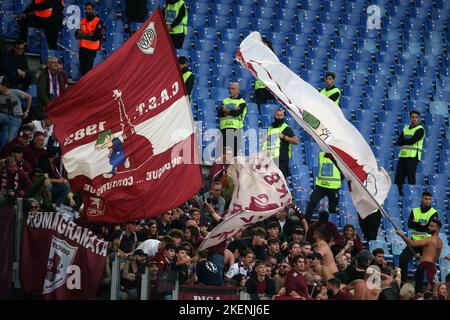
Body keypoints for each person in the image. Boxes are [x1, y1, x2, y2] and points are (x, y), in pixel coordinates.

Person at [398, 191, 438, 282]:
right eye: (426, 199)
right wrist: (423, 224)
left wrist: (417, 224)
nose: (428, 201)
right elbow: (409, 224)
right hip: (414, 242)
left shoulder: (433, 213)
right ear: (421, 199)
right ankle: (403, 282)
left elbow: (430, 228)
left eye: (429, 199)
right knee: (403, 259)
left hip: (426, 244)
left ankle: (418, 289)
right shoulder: (415, 211)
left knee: (422, 267)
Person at [396, 219, 443, 293]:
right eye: (429, 226)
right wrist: (421, 258)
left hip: (424, 268)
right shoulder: (440, 242)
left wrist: (401, 234)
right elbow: (435, 258)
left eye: (432, 226)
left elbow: (412, 244)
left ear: (437, 229)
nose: (429, 228)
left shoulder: (429, 239)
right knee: (428, 292)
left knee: (419, 291)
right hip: (432, 269)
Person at [305, 152, 342, 223]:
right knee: (312, 202)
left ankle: (331, 227)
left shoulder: (338, 156)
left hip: (333, 187)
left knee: (332, 209)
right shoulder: (321, 154)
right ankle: (306, 224)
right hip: (321, 186)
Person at [394, 109, 425, 195]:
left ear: (418, 118)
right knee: (398, 178)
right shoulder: (406, 128)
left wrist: (405, 140)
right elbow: (399, 142)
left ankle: (411, 196)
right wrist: (407, 140)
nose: (414, 119)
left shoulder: (420, 129)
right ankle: (398, 196)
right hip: (403, 157)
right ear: (410, 118)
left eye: (416, 117)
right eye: (412, 117)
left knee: (411, 178)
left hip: (413, 157)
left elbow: (412, 141)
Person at [262, 109, 299, 178]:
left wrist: (284, 137)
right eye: (277, 115)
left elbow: (296, 141)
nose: (279, 117)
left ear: (283, 117)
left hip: (282, 158)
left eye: (281, 115)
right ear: (274, 116)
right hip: (271, 158)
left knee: (282, 179)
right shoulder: (270, 128)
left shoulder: (286, 128)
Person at [0, 76, 32, 150]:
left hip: (16, 119)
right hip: (5, 116)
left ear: (4, 85)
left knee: (9, 140)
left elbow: (29, 97)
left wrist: (27, 111)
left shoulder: (15, 92)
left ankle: (7, 156)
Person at [218, 82, 247, 157]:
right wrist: (233, 110)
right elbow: (220, 113)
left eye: (233, 89)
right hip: (224, 130)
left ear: (238, 90)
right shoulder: (225, 101)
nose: (230, 90)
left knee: (234, 155)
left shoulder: (242, 102)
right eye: (230, 88)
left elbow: (237, 113)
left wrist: (226, 110)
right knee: (222, 154)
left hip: (235, 130)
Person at [75, 3, 103, 76]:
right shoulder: (82, 20)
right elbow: (76, 35)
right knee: (82, 70)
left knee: (88, 70)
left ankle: (87, 86)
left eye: (89, 9)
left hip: (91, 49)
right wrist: (88, 35)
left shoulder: (98, 21)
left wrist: (82, 35)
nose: (87, 11)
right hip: (82, 48)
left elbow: (95, 37)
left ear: (93, 10)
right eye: (86, 9)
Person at [254, 37, 275, 110]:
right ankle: (260, 113)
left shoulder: (274, 60)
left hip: (271, 87)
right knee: (261, 94)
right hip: (261, 87)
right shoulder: (255, 59)